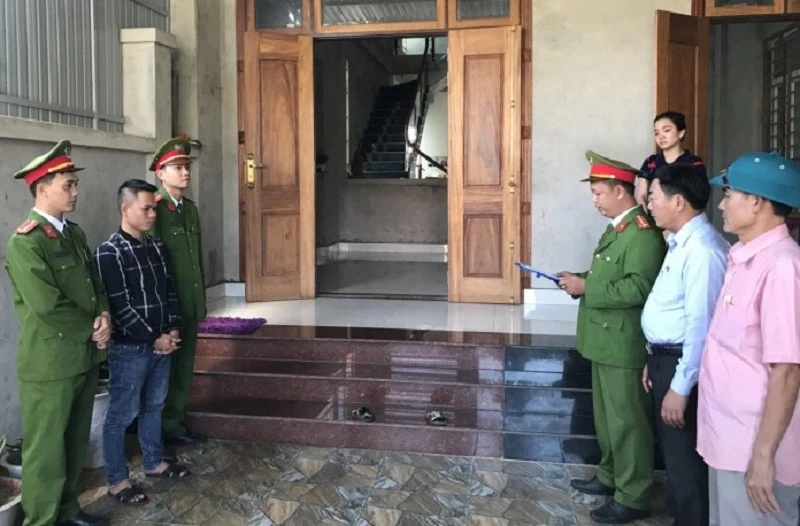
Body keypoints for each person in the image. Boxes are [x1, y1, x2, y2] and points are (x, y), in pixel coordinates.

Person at [5, 140, 111, 526]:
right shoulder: (26, 242)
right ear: (42, 188)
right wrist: (91, 329)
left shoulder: (73, 234)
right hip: (50, 363)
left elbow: (94, 283)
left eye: (75, 183)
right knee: (46, 451)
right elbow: (46, 304)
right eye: (68, 185)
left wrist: (104, 315)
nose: (76, 191)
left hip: (82, 356)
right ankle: (41, 520)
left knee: (74, 442)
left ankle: (67, 511)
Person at [558, 150, 666, 524]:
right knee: (607, 420)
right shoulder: (617, 228)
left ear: (620, 191)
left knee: (628, 423)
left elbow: (639, 287)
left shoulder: (642, 234)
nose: (594, 199)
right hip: (605, 341)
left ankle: (633, 494)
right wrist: (580, 281)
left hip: (624, 344)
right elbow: (608, 276)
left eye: (598, 192)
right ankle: (610, 475)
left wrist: (587, 286)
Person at [698, 151, 800, 526]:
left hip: (754, 448)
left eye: (729, 195)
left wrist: (763, 456)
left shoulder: (782, 266)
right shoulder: (743, 257)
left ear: (756, 202)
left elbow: (787, 370)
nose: (721, 205)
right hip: (728, 439)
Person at [640, 163, 729, 525]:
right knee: (675, 462)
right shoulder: (680, 242)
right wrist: (653, 358)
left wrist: (680, 386)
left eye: (653, 197)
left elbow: (700, 327)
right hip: (667, 361)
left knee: (686, 465)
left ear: (678, 201)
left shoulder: (703, 251)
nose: (649, 205)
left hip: (684, 367)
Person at [95, 179, 191, 506]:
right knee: (122, 415)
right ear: (126, 209)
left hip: (163, 343)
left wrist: (173, 329)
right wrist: (154, 337)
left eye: (154, 209)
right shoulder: (109, 252)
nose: (152, 214)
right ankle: (117, 481)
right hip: (130, 348)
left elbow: (170, 291)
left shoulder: (157, 247)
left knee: (155, 406)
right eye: (146, 208)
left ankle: (154, 462)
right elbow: (120, 307)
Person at [148, 137, 208, 447]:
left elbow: (195, 259)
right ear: (160, 173)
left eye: (187, 167)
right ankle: (156, 430)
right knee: (164, 371)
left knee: (184, 368)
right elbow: (153, 264)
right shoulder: (155, 209)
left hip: (189, 302)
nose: (185, 172)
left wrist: (199, 301)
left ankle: (174, 423)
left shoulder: (189, 210)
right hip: (168, 305)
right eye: (177, 167)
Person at [635, 111, 706, 209]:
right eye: (656, 133)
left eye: (667, 130)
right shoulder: (650, 162)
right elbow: (641, 196)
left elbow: (697, 195)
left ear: (681, 133)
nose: (661, 136)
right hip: (653, 215)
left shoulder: (693, 162)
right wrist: (645, 217)